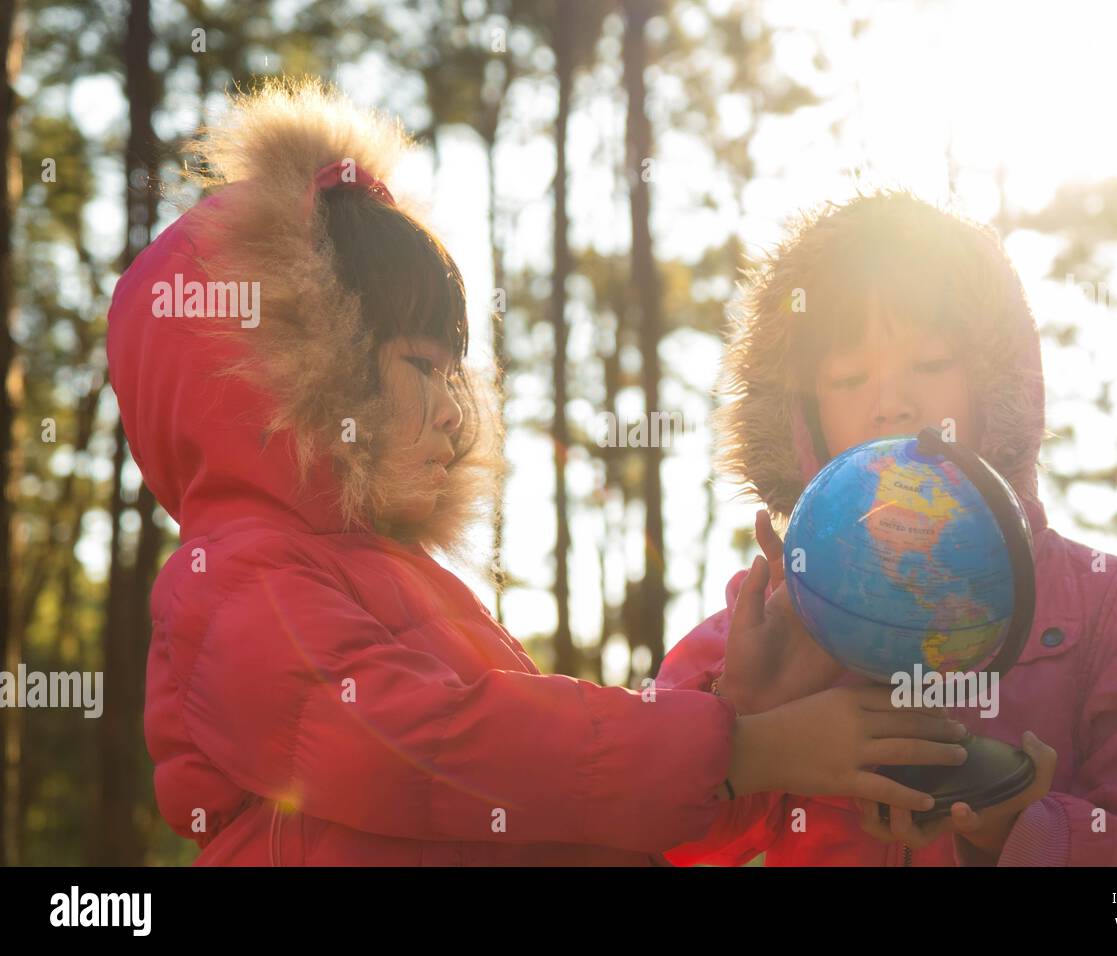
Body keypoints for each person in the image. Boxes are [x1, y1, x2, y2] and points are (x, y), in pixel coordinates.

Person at [109, 80, 968, 866]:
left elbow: (584, 798)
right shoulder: (232, 581)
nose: (453, 410)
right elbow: (428, 748)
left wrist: (748, 719)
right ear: (291, 371)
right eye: (417, 365)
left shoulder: (415, 591)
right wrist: (740, 750)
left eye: (457, 372)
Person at [659, 191, 1117, 866]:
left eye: (930, 365)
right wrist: (748, 718)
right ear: (803, 418)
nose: (891, 402)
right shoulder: (759, 625)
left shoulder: (1109, 607)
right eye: (847, 377)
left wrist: (1024, 831)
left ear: (993, 386)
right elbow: (663, 831)